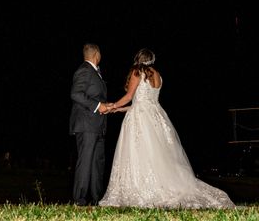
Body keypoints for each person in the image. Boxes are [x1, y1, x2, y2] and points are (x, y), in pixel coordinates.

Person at [99, 48, 234, 208]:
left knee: (141, 154)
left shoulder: (137, 72)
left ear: (138, 59)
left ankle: (144, 189)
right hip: (156, 117)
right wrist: (119, 109)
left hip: (141, 120)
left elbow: (130, 97)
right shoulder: (157, 75)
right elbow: (144, 103)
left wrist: (111, 105)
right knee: (158, 155)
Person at [69, 43, 113, 205]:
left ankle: (96, 199)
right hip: (86, 125)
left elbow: (95, 97)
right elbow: (75, 94)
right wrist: (97, 106)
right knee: (86, 161)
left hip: (98, 126)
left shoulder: (95, 73)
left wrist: (106, 106)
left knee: (97, 163)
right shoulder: (85, 70)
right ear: (97, 54)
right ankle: (79, 200)